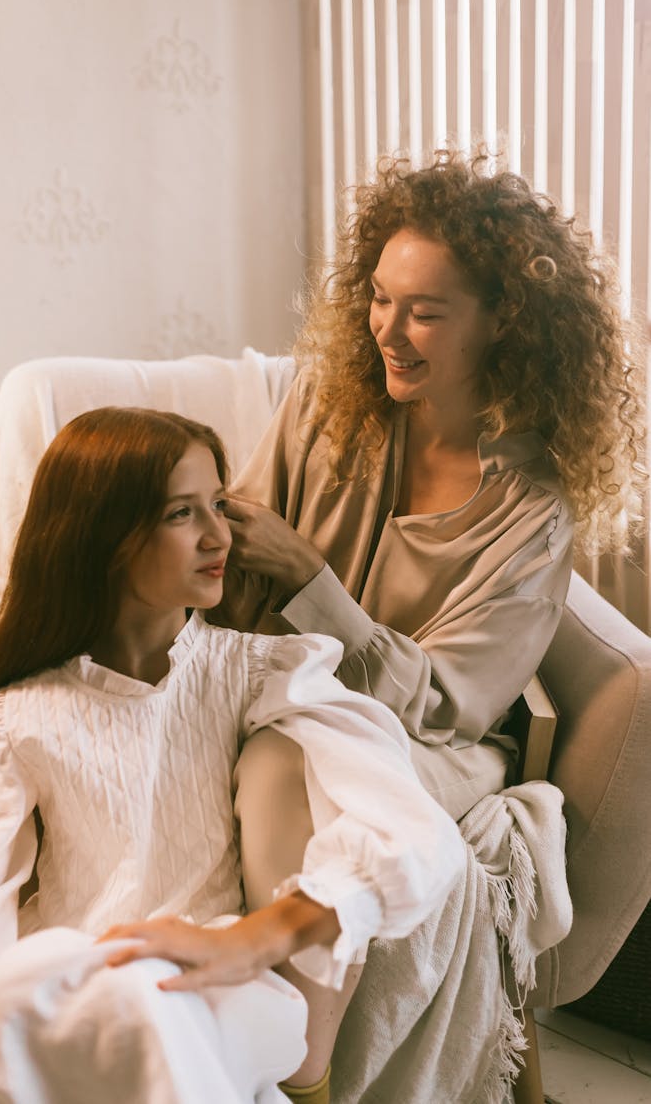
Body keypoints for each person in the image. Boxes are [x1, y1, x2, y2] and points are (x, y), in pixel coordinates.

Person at [0, 407, 464, 1104]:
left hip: (225, 988)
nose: (219, 534)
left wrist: (254, 940)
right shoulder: (13, 720)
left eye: (218, 505)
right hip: (76, 982)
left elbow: (418, 835)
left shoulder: (262, 674)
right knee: (16, 987)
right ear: (104, 535)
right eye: (181, 512)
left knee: (134, 997)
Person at [212, 143, 644, 894]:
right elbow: (237, 548)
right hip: (286, 694)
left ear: (503, 320)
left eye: (425, 313)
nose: (387, 329)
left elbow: (444, 703)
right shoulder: (326, 404)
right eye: (380, 298)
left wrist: (309, 580)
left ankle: (271, 994)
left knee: (285, 761)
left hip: (436, 742)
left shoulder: (532, 510)